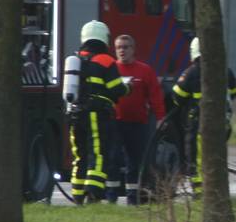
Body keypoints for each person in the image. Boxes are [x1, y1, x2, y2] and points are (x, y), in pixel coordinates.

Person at [68, 20, 126, 205]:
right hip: (96, 114)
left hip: (75, 114)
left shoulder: (76, 59)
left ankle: (77, 195)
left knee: (80, 156)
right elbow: (116, 88)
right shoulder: (106, 61)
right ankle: (93, 195)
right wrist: (128, 87)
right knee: (98, 153)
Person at [169, 37, 236, 191]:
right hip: (223, 124)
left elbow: (177, 96)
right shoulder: (226, 71)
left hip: (199, 125)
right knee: (216, 156)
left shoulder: (192, 72)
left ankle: (200, 191)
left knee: (197, 158)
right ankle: (216, 188)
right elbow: (234, 92)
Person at [111, 34, 165, 205]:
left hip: (137, 124)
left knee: (135, 161)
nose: (122, 51)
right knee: (113, 159)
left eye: (126, 47)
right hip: (115, 123)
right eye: (119, 47)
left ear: (133, 49)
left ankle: (133, 197)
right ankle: (111, 196)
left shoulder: (144, 71)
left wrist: (160, 117)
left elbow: (155, 96)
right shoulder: (111, 70)